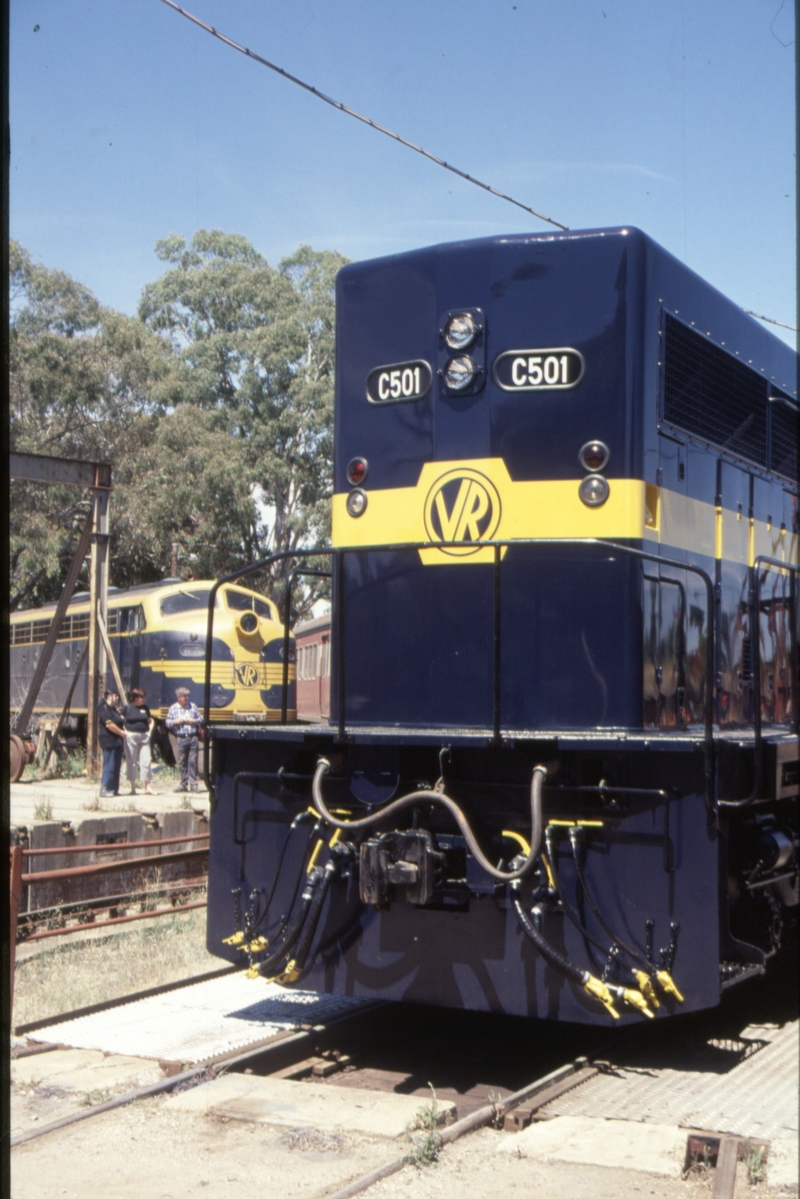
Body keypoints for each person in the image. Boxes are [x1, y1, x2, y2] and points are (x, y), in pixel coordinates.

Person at [165, 687, 204, 793]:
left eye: (187, 696)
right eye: (184, 696)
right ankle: (183, 784)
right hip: (181, 738)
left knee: (193, 762)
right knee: (182, 762)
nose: (186, 698)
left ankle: (194, 785)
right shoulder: (173, 708)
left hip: (193, 737)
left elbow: (201, 719)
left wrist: (194, 721)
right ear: (178, 697)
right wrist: (175, 722)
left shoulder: (193, 707)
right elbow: (167, 723)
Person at [122, 688, 155, 796]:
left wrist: (150, 731)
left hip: (144, 736)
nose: (143, 699)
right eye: (141, 697)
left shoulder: (145, 708)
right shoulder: (128, 708)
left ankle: (147, 786)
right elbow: (120, 720)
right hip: (131, 736)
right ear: (135, 698)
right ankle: (133, 788)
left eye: (143, 697)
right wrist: (125, 731)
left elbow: (150, 720)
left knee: (146, 761)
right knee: (131, 761)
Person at [97, 689, 126, 797]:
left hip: (117, 741)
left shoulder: (115, 710)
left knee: (116, 766)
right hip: (108, 740)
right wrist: (121, 732)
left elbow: (120, 721)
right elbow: (109, 725)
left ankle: (113, 789)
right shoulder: (104, 709)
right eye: (115, 696)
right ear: (109, 696)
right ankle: (105, 789)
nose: (117, 698)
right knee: (109, 765)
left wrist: (124, 731)